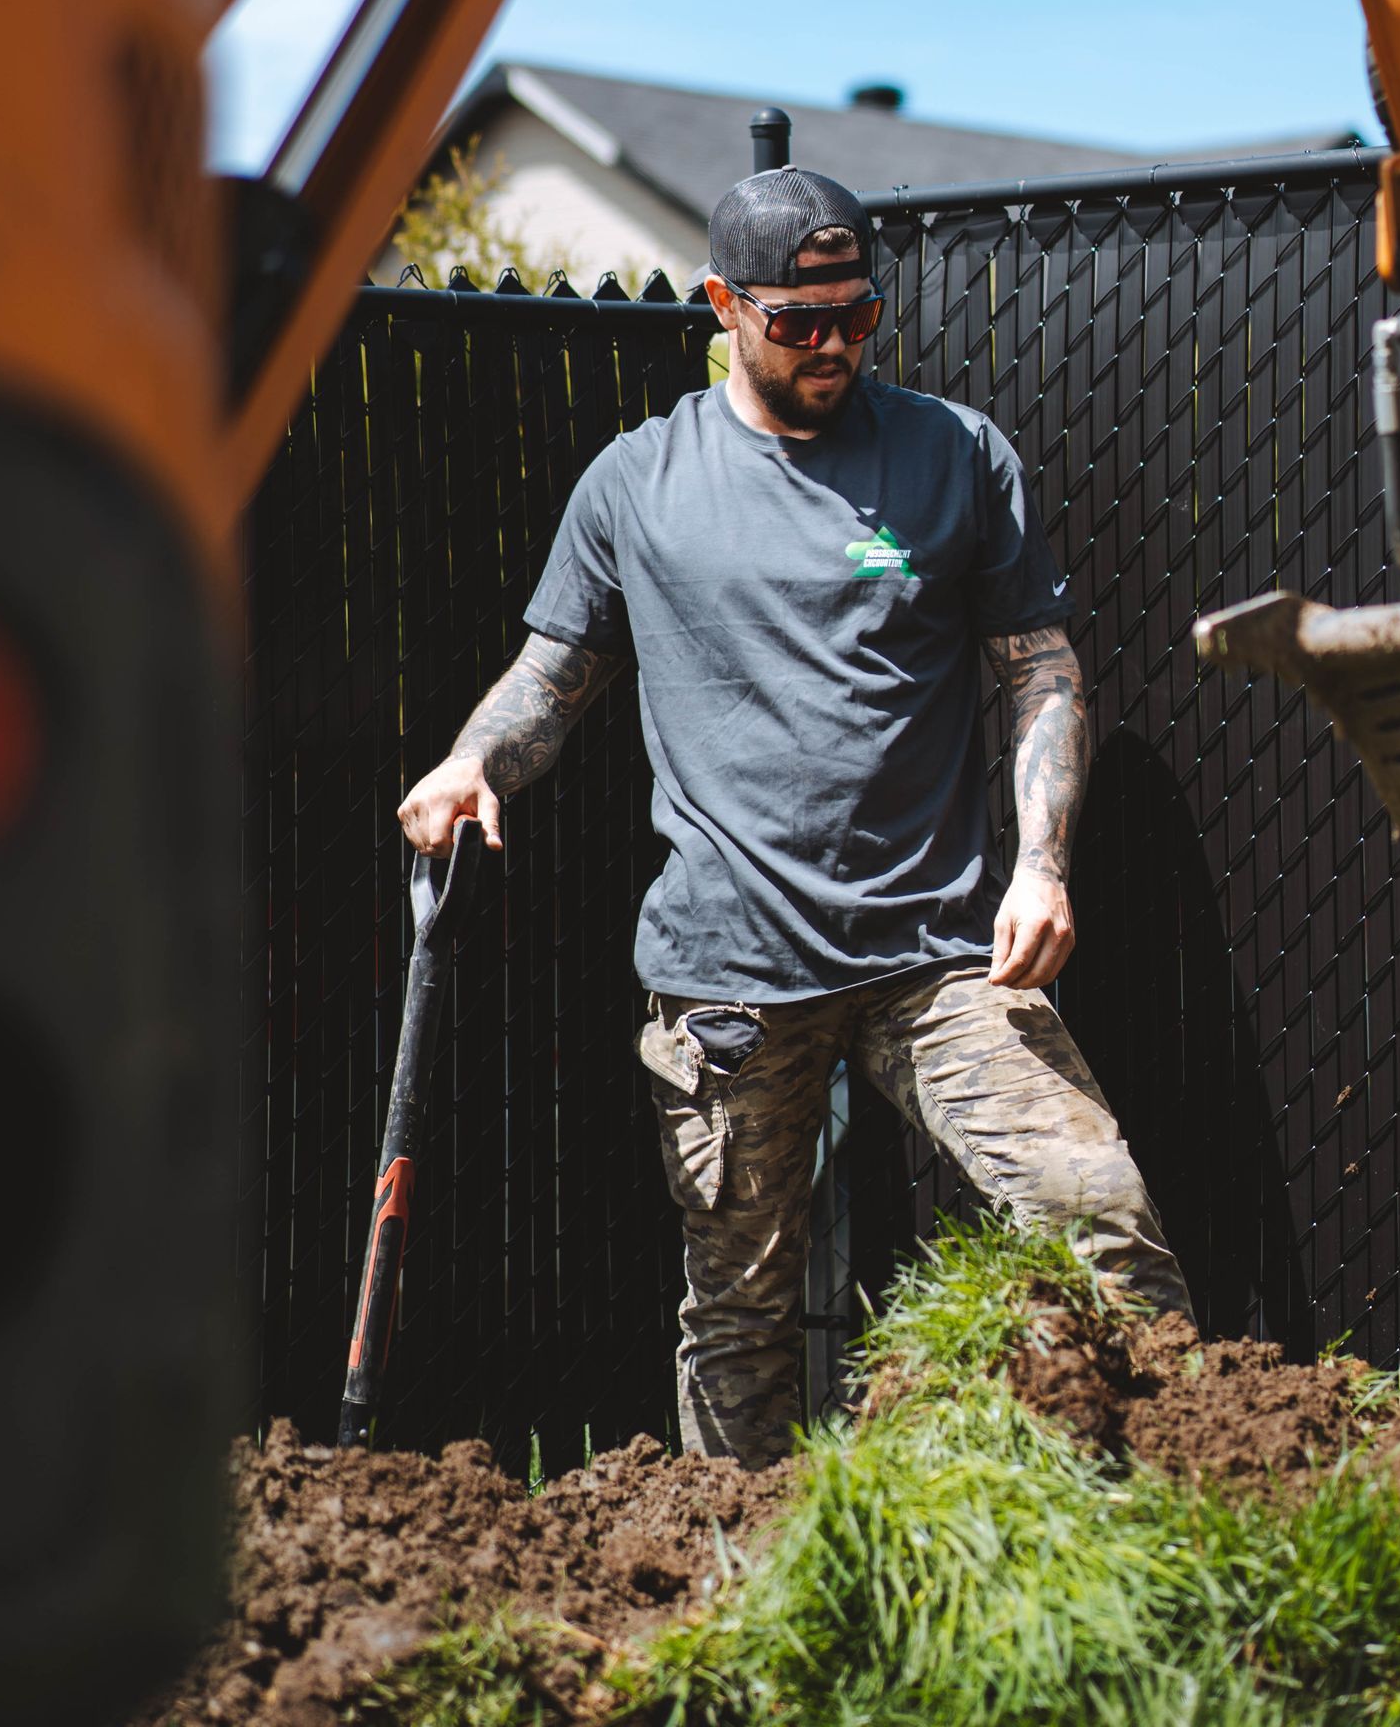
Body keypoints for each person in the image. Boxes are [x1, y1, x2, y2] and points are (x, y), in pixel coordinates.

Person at [398, 160, 1192, 1465]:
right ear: (722, 304)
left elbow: (1039, 671)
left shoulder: (953, 453)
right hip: (730, 975)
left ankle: (1172, 1528)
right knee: (738, 1320)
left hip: (941, 957)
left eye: (857, 316)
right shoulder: (636, 485)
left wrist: (1040, 865)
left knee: (1100, 1216)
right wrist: (476, 760)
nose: (833, 345)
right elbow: (553, 675)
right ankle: (741, 1583)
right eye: (799, 320)